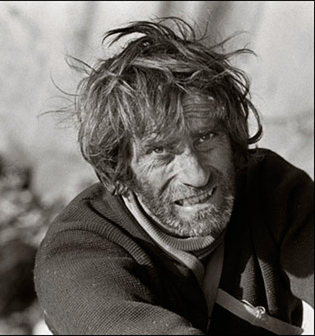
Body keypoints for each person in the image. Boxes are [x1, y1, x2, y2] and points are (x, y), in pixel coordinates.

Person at [34, 17, 314, 335]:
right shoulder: (78, 255)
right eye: (160, 152)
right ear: (120, 165)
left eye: (206, 138)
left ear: (231, 135)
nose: (195, 175)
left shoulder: (275, 192)